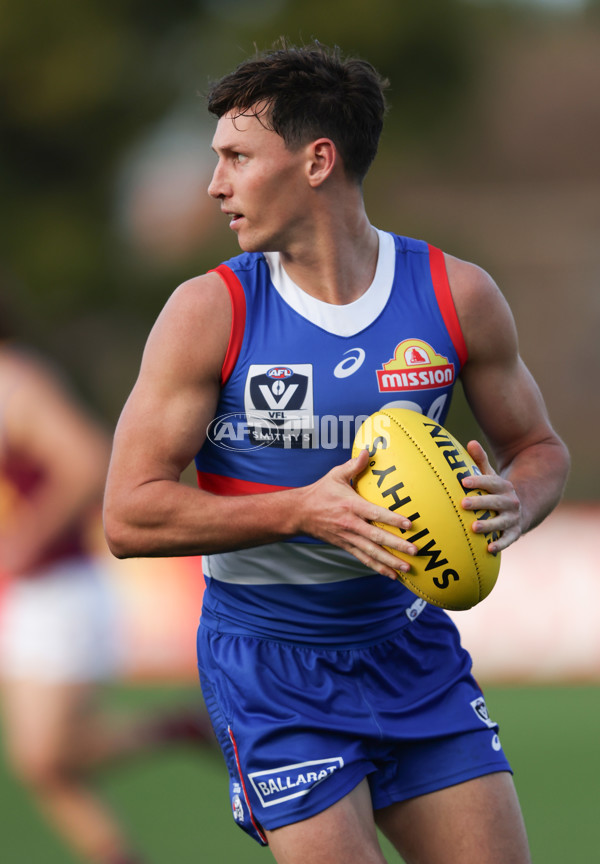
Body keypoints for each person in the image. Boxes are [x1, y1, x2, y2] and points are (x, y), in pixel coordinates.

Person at [103, 40, 570, 864]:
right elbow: (129, 514)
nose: (215, 185)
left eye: (237, 158)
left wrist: (518, 500)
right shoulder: (209, 312)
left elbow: (538, 447)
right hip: (269, 666)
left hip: (412, 648)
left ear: (317, 160)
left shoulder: (456, 295)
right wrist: (302, 511)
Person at [0, 320, 214, 864]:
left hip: (56, 589)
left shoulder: (16, 382)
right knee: (41, 766)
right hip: (23, 597)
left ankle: (178, 728)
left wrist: (22, 543)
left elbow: (87, 459)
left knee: (46, 756)